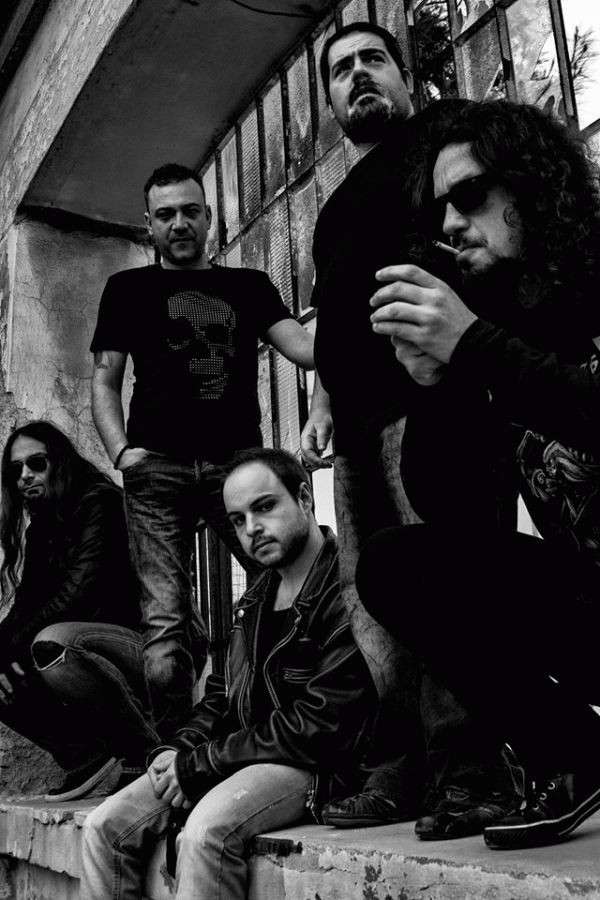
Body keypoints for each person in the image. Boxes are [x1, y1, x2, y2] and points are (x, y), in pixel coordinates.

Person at [359, 99, 600, 848]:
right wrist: (438, 384)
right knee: (395, 564)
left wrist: (474, 347)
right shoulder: (500, 326)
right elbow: (448, 509)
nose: (453, 224)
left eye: (469, 195)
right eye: (441, 210)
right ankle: (578, 755)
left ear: (531, 183)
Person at [300, 22, 510, 834]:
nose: (358, 76)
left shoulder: (440, 148)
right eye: (341, 69)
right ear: (329, 100)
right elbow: (334, 317)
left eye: (372, 60)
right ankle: (404, 770)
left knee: (451, 591)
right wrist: (321, 402)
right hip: (355, 431)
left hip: (433, 408)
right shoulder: (332, 211)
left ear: (404, 73)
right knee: (374, 609)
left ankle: (471, 773)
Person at [80, 447, 376, 900]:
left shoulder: (346, 588)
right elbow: (222, 694)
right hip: (242, 755)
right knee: (103, 825)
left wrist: (203, 764)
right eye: (238, 520)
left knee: (205, 833)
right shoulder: (256, 598)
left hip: (318, 766)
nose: (251, 528)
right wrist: (178, 749)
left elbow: (322, 725)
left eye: (264, 507)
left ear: (304, 498)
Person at [91, 164, 315, 739]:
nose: (179, 223)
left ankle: (289, 720)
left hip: (235, 467)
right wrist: (121, 453)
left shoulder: (248, 286)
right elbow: (105, 379)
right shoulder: (126, 290)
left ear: (209, 217)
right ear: (149, 224)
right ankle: (175, 752)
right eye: (165, 214)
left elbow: (307, 350)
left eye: (190, 211)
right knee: (164, 629)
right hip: (154, 469)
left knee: (287, 583)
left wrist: (351, 328)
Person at [0, 421, 160, 802]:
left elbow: (77, 596)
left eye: (37, 463)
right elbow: (26, 606)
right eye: (16, 469)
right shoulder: (41, 529)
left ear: (60, 462)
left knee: (52, 642)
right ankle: (83, 754)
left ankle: (141, 750)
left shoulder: (99, 502)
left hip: (147, 647)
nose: (25, 476)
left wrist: (11, 648)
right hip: (92, 649)